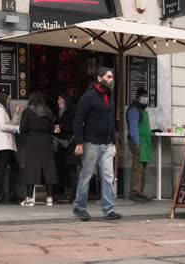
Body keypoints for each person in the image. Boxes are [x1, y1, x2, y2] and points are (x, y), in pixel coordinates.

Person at [72, 67, 122, 221]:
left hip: (107, 143)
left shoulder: (110, 96)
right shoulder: (88, 97)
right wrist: (79, 142)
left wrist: (113, 143)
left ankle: (108, 209)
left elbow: (112, 121)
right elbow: (78, 120)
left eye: (112, 77)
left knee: (108, 176)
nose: (111, 79)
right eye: (108, 77)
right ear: (99, 78)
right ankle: (79, 207)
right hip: (91, 143)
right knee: (86, 175)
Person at [19, 91, 58, 207]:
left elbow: (22, 129)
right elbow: (52, 129)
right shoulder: (48, 111)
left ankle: (30, 199)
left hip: (32, 142)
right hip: (46, 142)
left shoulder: (27, 112)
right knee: (49, 168)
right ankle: (49, 198)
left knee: (31, 169)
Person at [0, 92, 22, 203]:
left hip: (7, 144)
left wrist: (16, 113)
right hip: (4, 144)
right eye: (9, 99)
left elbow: (10, 123)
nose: (10, 101)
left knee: (12, 168)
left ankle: (7, 194)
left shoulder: (3, 110)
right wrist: (17, 129)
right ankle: (3, 194)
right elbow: (3, 127)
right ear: (3, 99)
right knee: (4, 169)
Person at [126, 88, 152, 203]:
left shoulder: (141, 110)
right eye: (144, 96)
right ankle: (134, 193)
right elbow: (133, 128)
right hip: (137, 142)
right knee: (137, 168)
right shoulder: (134, 110)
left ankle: (140, 192)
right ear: (138, 97)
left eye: (147, 96)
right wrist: (137, 142)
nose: (146, 98)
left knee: (143, 168)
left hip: (144, 142)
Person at [54, 92, 81, 203]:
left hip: (71, 143)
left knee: (71, 168)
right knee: (65, 168)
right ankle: (67, 190)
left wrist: (61, 126)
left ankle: (74, 192)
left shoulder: (73, 111)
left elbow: (73, 127)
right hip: (63, 143)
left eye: (60, 99)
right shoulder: (60, 112)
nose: (58, 102)